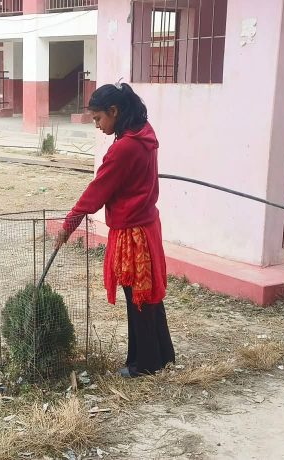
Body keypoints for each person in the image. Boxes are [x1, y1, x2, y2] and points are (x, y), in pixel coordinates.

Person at [56, 82, 175, 378]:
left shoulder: (124, 148)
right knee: (148, 295)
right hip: (147, 226)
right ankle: (162, 355)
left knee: (138, 298)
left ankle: (143, 365)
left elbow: (96, 192)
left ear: (114, 111)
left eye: (98, 118)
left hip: (132, 233)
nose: (97, 126)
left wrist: (68, 226)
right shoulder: (144, 133)